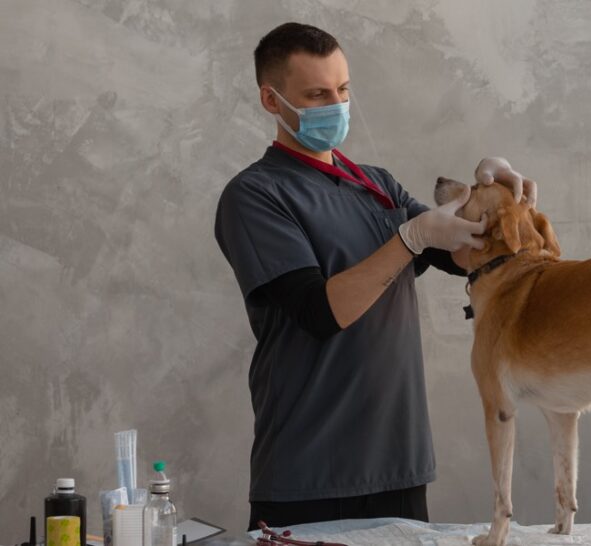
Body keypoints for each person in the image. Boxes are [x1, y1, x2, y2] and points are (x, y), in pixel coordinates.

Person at [213, 22, 536, 531]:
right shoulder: (255, 195)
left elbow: (462, 253)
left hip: (399, 466)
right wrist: (409, 239)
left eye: (342, 90)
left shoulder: (375, 185)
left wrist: (489, 193)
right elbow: (321, 312)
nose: (336, 105)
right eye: (317, 94)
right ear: (271, 101)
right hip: (311, 472)